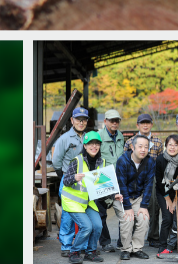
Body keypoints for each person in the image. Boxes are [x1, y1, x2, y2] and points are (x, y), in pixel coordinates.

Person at [64, 131, 122, 264]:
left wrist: (115, 195)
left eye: (97, 144)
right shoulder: (77, 160)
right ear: (84, 145)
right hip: (72, 200)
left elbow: (103, 187)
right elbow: (66, 180)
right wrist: (74, 177)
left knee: (97, 225)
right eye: (90, 143)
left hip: (87, 201)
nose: (94, 146)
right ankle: (74, 252)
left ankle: (91, 252)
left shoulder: (102, 162)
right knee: (86, 227)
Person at [53, 107, 91, 256]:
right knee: (68, 214)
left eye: (84, 120)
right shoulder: (64, 139)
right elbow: (56, 161)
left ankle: (82, 244)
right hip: (69, 180)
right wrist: (64, 176)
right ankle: (66, 246)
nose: (81, 122)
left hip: (85, 182)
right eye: (78, 119)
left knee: (84, 211)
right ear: (72, 120)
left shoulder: (88, 137)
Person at [115, 134, 154, 260]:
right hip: (122, 197)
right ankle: (126, 249)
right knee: (128, 219)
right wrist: (127, 206)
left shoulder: (150, 162)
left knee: (144, 218)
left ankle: (137, 248)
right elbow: (122, 185)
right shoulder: (123, 160)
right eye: (140, 146)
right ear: (132, 147)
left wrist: (144, 206)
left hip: (138, 197)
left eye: (146, 147)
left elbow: (149, 185)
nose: (143, 149)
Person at [132, 114, 163, 249]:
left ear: (151, 124)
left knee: (154, 206)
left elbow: (161, 161)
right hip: (134, 176)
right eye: (142, 123)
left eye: (148, 123)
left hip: (153, 176)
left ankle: (153, 236)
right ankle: (131, 237)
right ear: (137, 125)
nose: (145, 125)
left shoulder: (158, 141)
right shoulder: (131, 141)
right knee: (133, 205)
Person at [99, 110, 127, 253]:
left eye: (117, 120)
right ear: (105, 121)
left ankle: (123, 242)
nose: (114, 123)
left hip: (119, 179)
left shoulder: (121, 136)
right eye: (111, 120)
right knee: (102, 212)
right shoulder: (99, 136)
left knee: (122, 211)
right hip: (104, 178)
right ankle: (105, 242)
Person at [154, 135, 178, 257]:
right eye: (170, 144)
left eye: (176, 145)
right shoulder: (160, 159)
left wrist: (176, 200)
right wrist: (168, 199)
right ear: (166, 146)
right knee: (167, 217)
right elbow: (159, 180)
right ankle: (162, 245)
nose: (172, 147)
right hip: (163, 192)